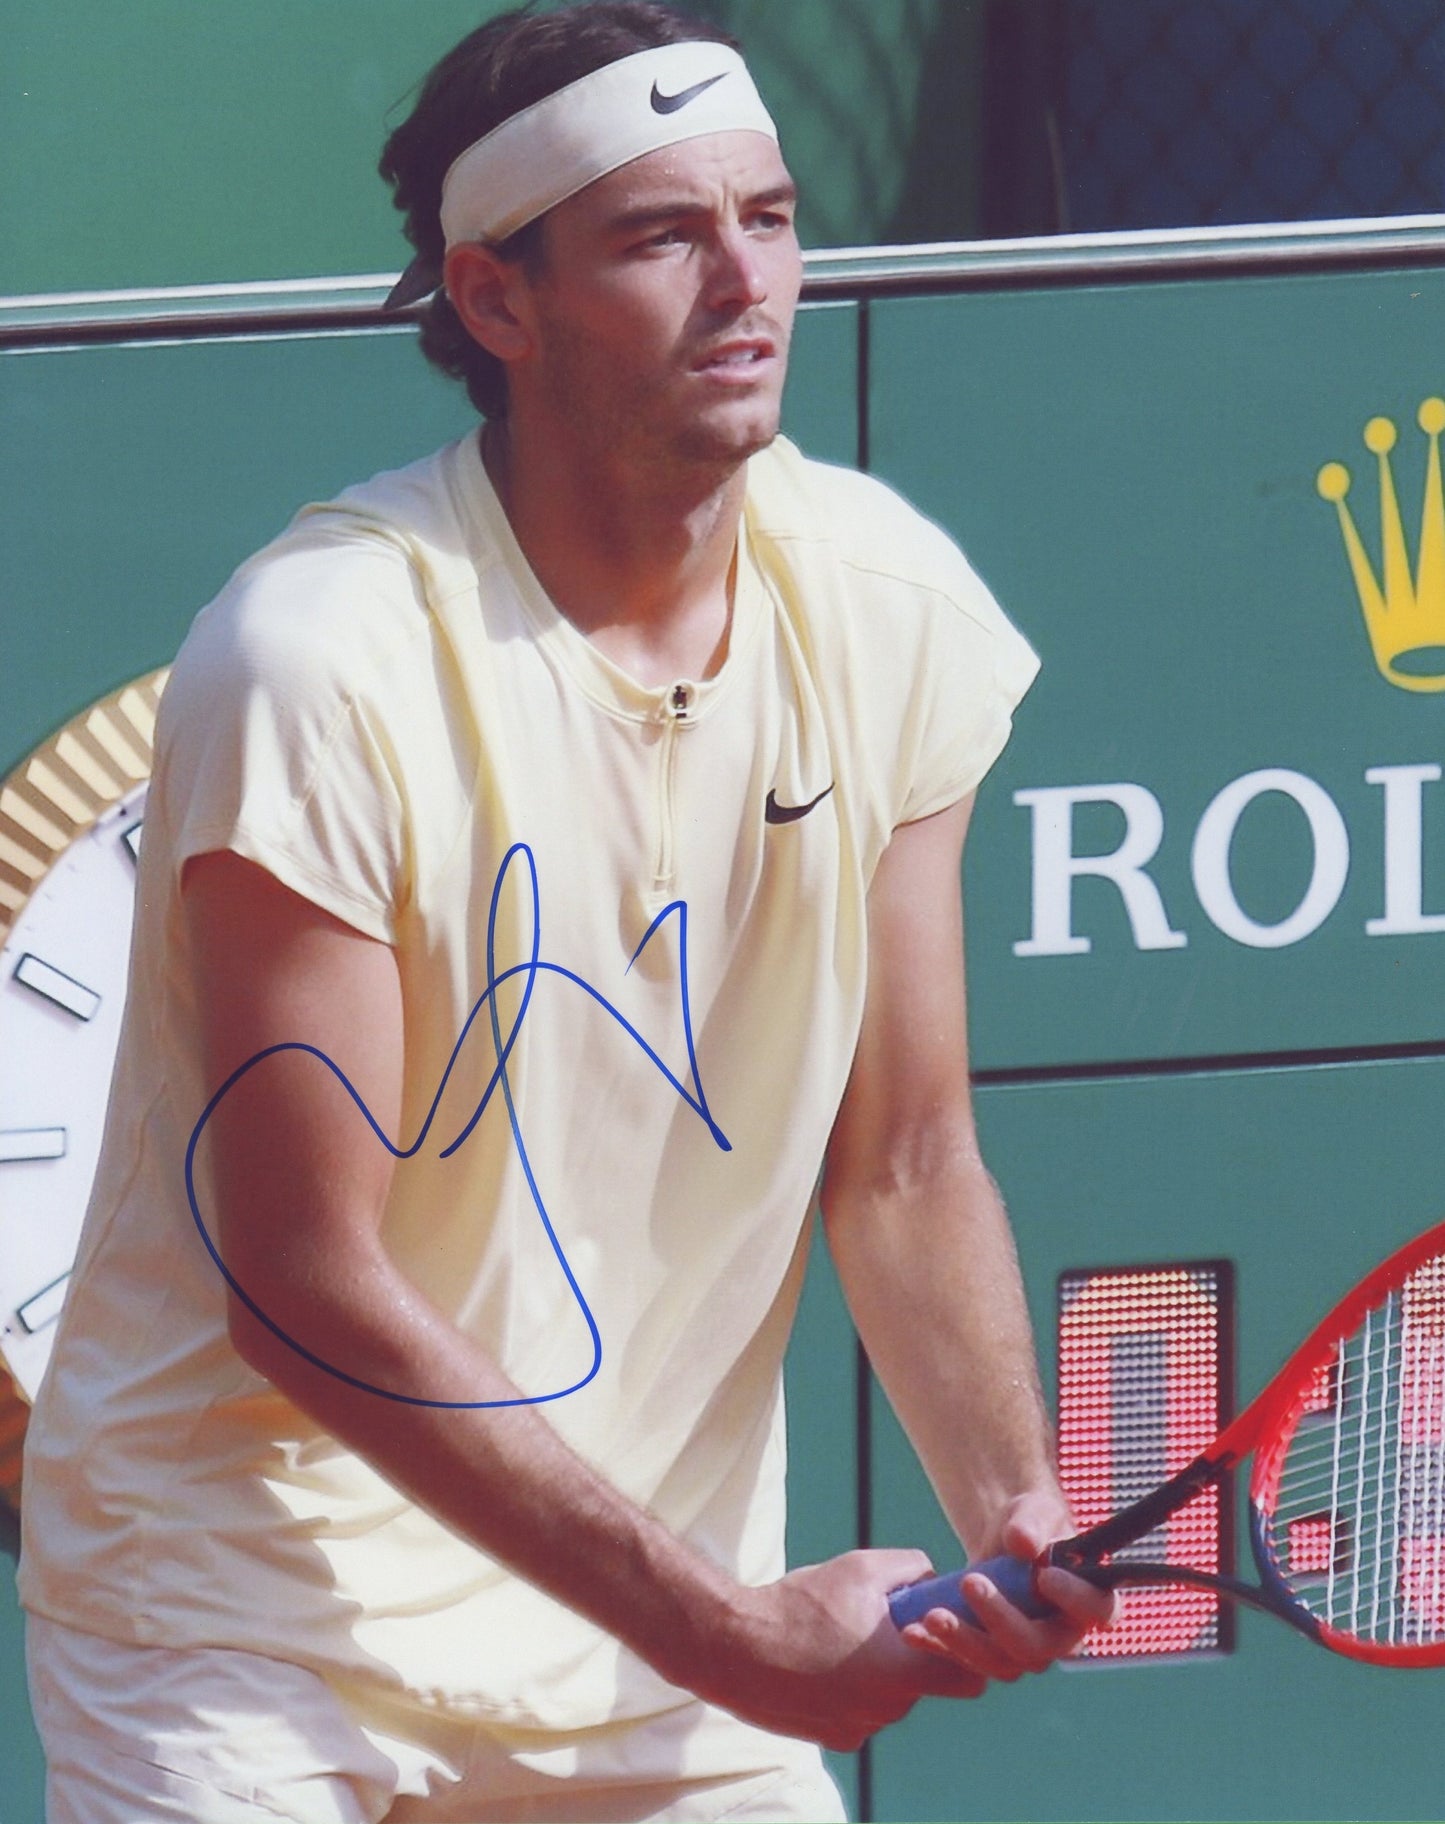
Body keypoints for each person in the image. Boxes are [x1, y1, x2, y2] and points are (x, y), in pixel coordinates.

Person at [19, 4, 1112, 1819]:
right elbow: (304, 1282)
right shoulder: (319, 660)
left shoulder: (890, 605)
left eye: (765, 217)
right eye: (659, 234)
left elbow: (905, 1162)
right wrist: (726, 1635)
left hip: (647, 1665)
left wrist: (1016, 1498)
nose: (742, 282)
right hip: (249, 1634)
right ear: (496, 298)